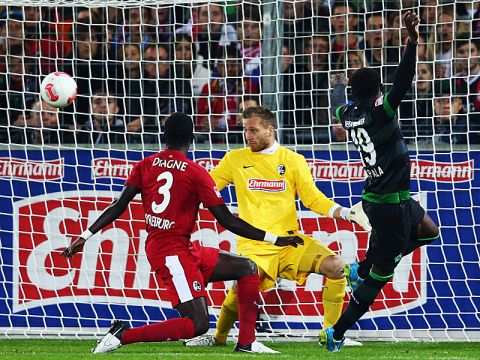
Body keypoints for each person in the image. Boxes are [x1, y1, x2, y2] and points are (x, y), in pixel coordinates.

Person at [61, 112, 303, 354]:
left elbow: (118, 205)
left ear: (164, 136)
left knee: (247, 268)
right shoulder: (195, 172)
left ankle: (247, 342)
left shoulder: (145, 165)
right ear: (192, 138)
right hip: (171, 255)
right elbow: (227, 220)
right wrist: (275, 239)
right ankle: (122, 335)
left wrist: (85, 236)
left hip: (180, 248)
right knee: (197, 325)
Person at [184, 106, 371, 348]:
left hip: (288, 242)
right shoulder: (235, 159)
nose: (247, 136)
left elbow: (313, 198)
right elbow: (206, 186)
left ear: (271, 129)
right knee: (240, 290)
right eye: (245, 130)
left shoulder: (293, 161)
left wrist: (345, 213)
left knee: (336, 267)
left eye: (253, 130)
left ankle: (332, 334)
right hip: (255, 244)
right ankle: (218, 338)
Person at [321, 12, 440, 352]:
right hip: (389, 205)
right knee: (380, 277)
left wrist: (340, 81)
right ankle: (338, 331)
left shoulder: (347, 115)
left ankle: (364, 264)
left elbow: (338, 101)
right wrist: (412, 42)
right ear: (377, 93)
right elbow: (402, 83)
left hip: (386, 196)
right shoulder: (380, 112)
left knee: (430, 231)